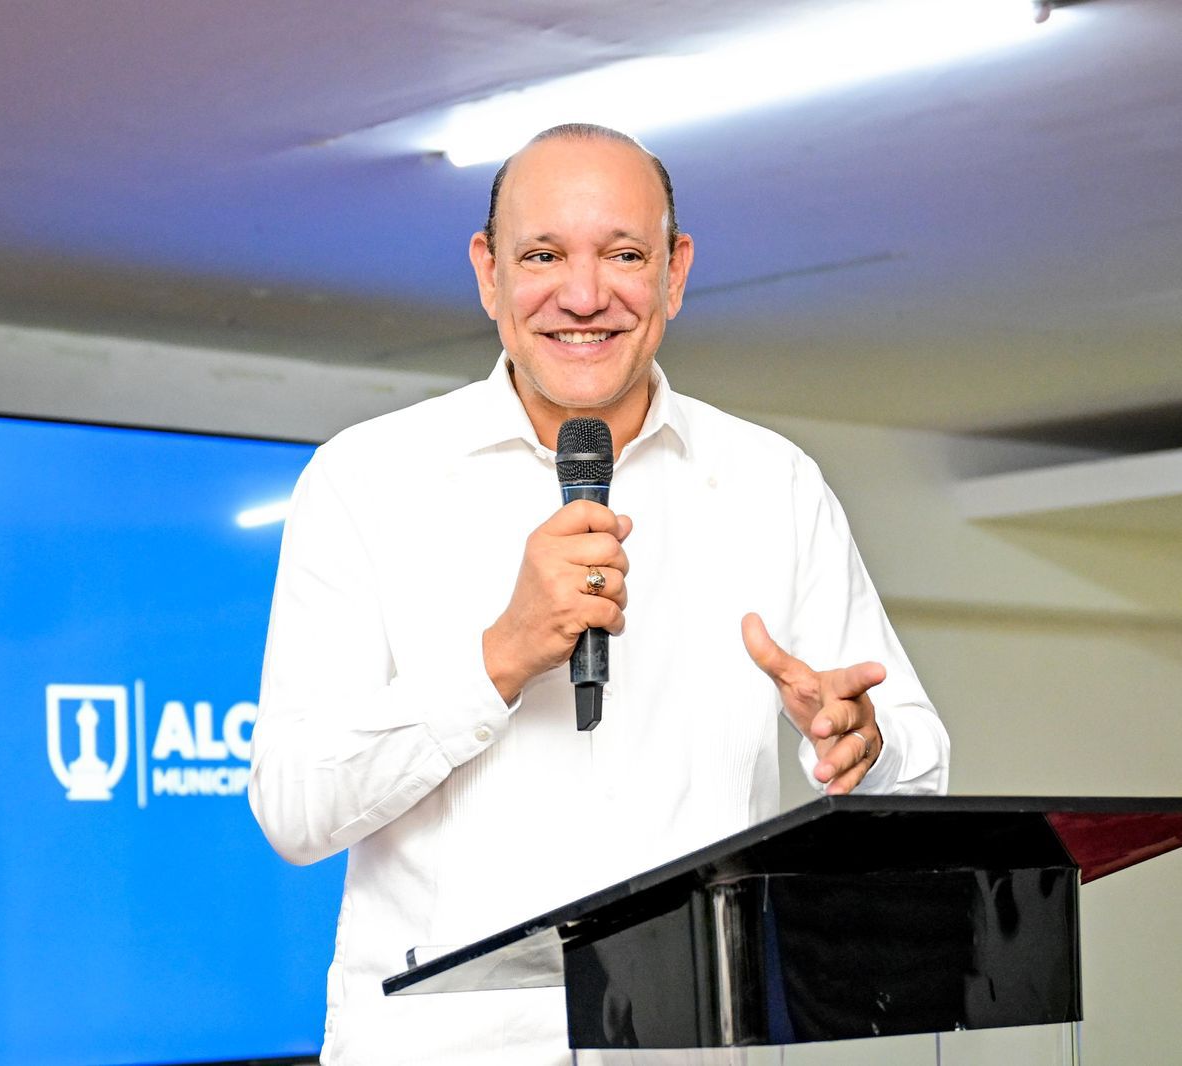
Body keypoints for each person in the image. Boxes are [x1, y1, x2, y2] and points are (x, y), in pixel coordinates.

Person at [249, 123, 949, 1066]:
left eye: (624, 254)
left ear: (676, 272)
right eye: (543, 255)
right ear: (488, 272)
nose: (584, 296)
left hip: (693, 1046)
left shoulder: (772, 484)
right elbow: (294, 808)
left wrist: (867, 746)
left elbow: (918, 766)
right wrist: (499, 658)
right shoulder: (366, 479)